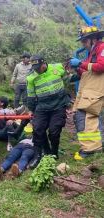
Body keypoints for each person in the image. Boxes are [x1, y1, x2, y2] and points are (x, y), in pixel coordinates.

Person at [27, 55, 70, 167]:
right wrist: (31, 109)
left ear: (44, 63)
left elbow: (67, 77)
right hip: (42, 106)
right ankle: (40, 155)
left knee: (54, 131)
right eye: (34, 68)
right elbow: (31, 95)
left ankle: (54, 153)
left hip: (59, 105)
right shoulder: (31, 77)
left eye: (38, 67)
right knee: (37, 129)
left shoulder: (57, 67)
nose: (36, 70)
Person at [69, 26, 104, 159]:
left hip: (95, 91)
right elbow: (89, 71)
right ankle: (92, 146)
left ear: (93, 39)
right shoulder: (93, 52)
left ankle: (90, 150)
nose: (83, 44)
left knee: (87, 119)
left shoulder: (102, 48)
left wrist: (81, 63)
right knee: (84, 118)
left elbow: (101, 66)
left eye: (84, 41)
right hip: (89, 90)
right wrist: (78, 69)